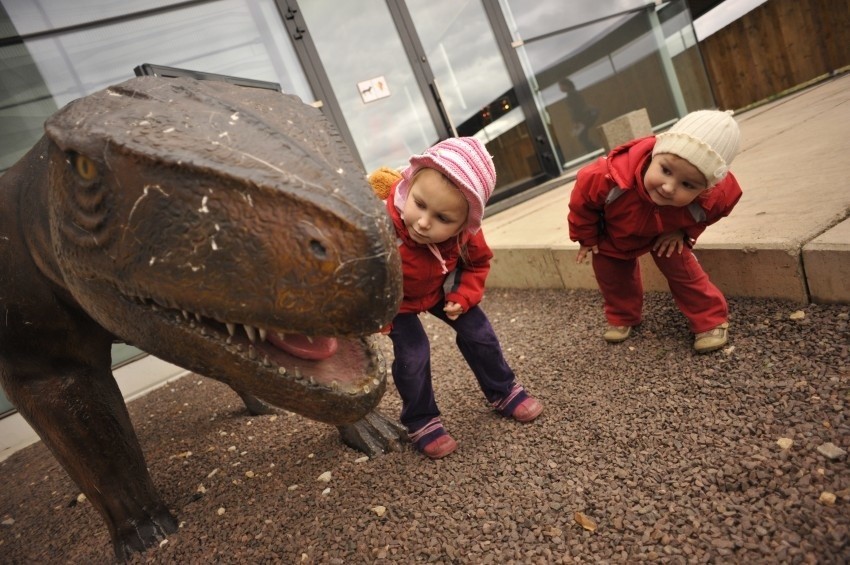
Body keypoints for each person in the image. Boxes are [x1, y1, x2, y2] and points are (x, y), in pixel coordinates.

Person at [373, 137, 543, 460]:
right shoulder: (380, 226)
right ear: (409, 187)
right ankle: (421, 419)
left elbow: (477, 264)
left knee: (479, 333)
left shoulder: (467, 235)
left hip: (440, 290)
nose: (424, 222)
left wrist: (462, 295)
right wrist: (375, 310)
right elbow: (362, 271)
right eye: (419, 205)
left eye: (443, 219)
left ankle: (503, 389)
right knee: (414, 354)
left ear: (465, 223)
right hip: (397, 300)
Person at [567, 109, 743, 353]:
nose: (669, 187)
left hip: (666, 232)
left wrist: (685, 232)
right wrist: (586, 236)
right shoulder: (609, 176)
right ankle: (622, 315)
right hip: (616, 230)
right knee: (611, 273)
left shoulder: (713, 195)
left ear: (704, 189)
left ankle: (710, 319)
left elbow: (718, 207)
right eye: (666, 170)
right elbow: (581, 202)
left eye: (688, 184)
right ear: (653, 155)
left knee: (682, 268)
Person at [559, 78, 598, 152]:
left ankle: (595, 151)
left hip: (583, 118)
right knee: (582, 138)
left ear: (566, 86)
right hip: (583, 118)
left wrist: (577, 121)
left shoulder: (572, 95)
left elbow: (577, 109)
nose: (560, 88)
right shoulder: (573, 94)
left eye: (561, 86)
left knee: (582, 138)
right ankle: (594, 151)